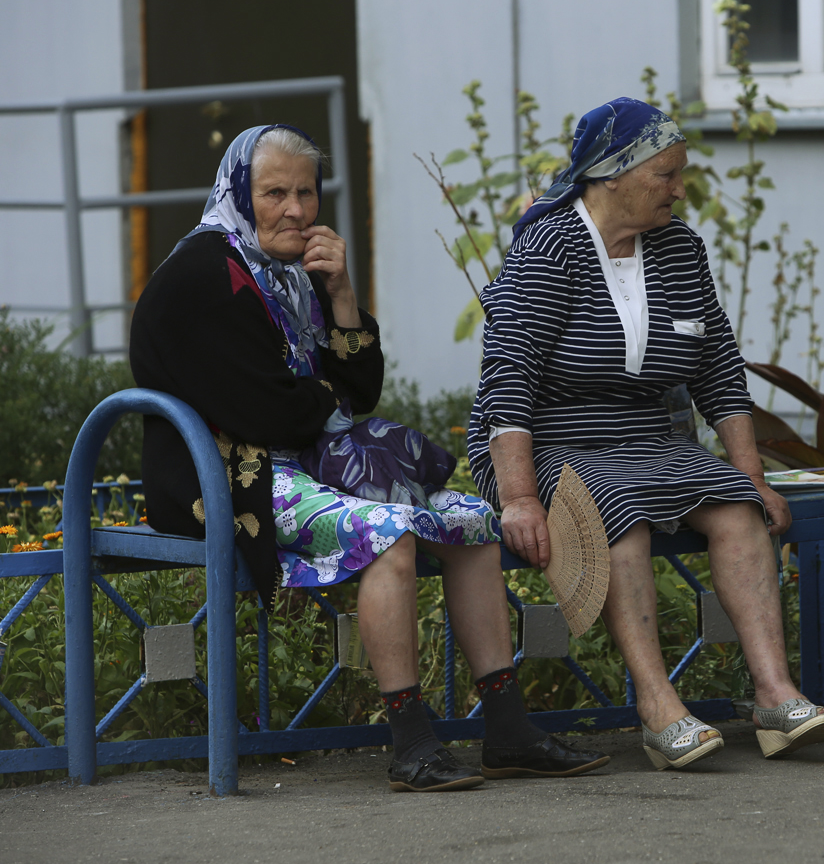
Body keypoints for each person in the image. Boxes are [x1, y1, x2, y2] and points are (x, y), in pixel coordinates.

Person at [129, 124, 607, 791]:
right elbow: (270, 413)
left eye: (306, 192)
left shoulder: (297, 275)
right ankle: (411, 743)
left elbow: (356, 393)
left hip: (309, 466)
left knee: (471, 520)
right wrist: (320, 399)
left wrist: (344, 295)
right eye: (275, 193)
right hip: (230, 478)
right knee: (390, 536)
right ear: (239, 191)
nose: (296, 210)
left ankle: (507, 729)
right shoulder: (203, 275)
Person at [468, 98, 824, 771]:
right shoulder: (548, 247)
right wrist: (518, 497)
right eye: (666, 175)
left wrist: (751, 474)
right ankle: (657, 707)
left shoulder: (679, 247)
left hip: (648, 439)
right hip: (549, 443)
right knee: (622, 516)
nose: (679, 188)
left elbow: (719, 367)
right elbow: (508, 379)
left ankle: (776, 697)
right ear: (613, 177)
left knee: (736, 507)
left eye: (680, 174)